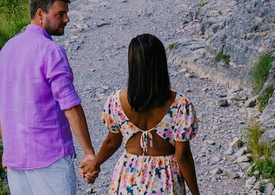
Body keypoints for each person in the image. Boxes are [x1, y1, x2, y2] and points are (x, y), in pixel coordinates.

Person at [0, 0, 97, 195]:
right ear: (40, 14)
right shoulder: (51, 51)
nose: (66, 19)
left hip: (16, 161)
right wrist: (88, 152)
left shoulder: (8, 48)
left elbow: (2, 106)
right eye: (60, 14)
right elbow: (70, 105)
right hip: (50, 159)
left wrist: (7, 149)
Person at [81, 34, 200, 195]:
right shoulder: (180, 104)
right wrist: (195, 193)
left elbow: (112, 142)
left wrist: (94, 164)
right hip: (165, 180)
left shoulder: (116, 100)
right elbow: (182, 156)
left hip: (128, 177)